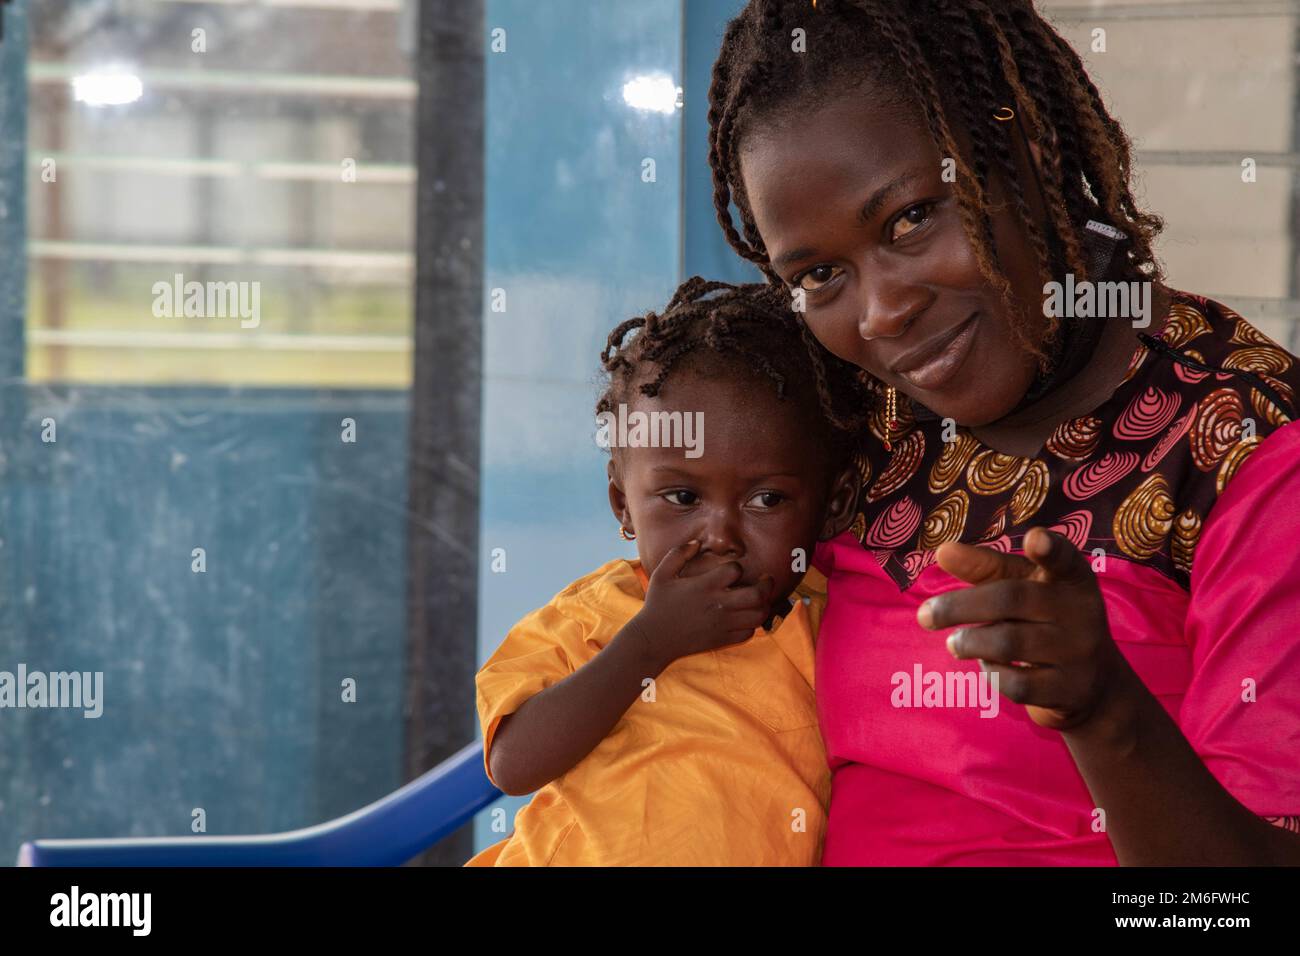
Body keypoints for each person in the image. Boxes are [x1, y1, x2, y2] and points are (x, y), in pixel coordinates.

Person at [705, 0, 1300, 864]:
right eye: (822, 273)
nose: (882, 313)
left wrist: (1104, 711)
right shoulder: (852, 420)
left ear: (1020, 152)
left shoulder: (1245, 445)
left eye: (911, 218)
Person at [465, 277, 862, 865]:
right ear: (623, 504)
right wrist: (648, 644)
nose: (719, 536)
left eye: (767, 501)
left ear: (834, 504)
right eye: (680, 499)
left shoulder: (834, 625)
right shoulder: (592, 617)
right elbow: (514, 765)